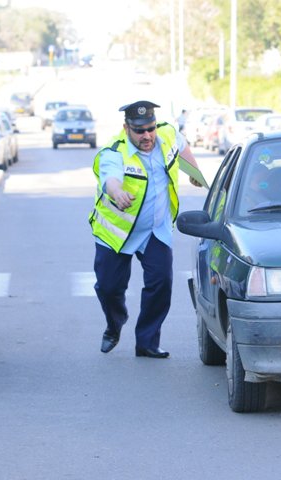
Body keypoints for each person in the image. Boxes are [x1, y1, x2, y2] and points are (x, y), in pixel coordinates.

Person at [89, 100, 204, 358]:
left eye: (150, 128)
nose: (147, 135)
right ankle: (114, 323)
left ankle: (147, 342)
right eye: (139, 131)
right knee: (109, 288)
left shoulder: (167, 133)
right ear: (127, 128)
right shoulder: (114, 152)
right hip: (116, 234)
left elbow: (182, 147)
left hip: (155, 229)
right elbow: (111, 179)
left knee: (161, 283)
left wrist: (193, 171)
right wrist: (117, 193)